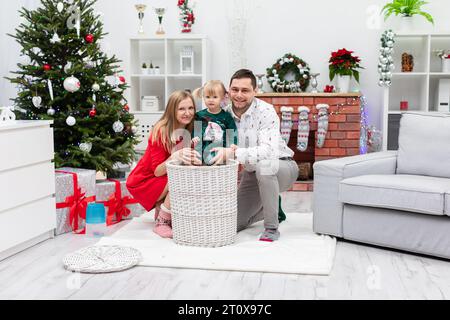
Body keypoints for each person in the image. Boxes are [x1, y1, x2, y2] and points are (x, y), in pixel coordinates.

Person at [211, 69, 299, 242]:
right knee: (230, 224)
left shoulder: (266, 111)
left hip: (281, 166)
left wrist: (234, 153)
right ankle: (271, 207)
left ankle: (271, 227)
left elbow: (269, 151)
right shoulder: (224, 114)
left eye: (245, 90)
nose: (239, 95)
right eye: (235, 89)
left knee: (264, 166)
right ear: (228, 91)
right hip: (251, 174)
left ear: (255, 91)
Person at [126, 91, 201, 239]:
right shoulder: (161, 131)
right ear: (172, 110)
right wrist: (175, 156)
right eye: (181, 109)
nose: (187, 113)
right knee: (179, 179)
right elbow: (157, 171)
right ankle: (162, 223)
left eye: (190, 108)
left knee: (189, 174)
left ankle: (163, 210)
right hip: (143, 181)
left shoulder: (187, 128)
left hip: (163, 177)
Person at [192, 80, 238, 165]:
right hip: (203, 151)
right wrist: (194, 137)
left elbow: (231, 132)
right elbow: (196, 132)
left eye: (215, 97)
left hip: (220, 151)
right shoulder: (199, 115)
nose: (211, 100)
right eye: (207, 97)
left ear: (222, 97)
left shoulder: (226, 117)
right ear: (203, 97)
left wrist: (232, 145)